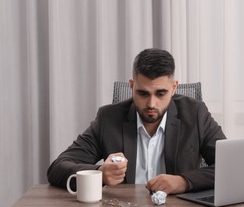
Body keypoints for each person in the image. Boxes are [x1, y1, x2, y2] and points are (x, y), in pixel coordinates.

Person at [47, 48, 226, 194]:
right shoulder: (108, 119)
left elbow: (229, 167)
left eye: (160, 93)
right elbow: (57, 168)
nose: (151, 103)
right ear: (132, 86)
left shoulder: (195, 114)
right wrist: (99, 173)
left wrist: (183, 182)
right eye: (143, 93)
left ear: (174, 88)